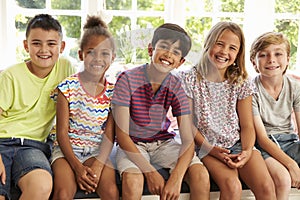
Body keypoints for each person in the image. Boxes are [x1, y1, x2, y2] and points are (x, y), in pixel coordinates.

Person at [111, 23, 210, 200]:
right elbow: (122, 135)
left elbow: (188, 140)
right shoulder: (127, 79)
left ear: (181, 62)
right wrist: (150, 172)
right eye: (163, 47)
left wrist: (176, 178)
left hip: (163, 143)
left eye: (176, 52)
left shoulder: (176, 85)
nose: (168, 54)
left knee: (200, 175)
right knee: (133, 181)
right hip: (132, 144)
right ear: (151, 49)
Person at [180, 21, 276, 200]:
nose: (224, 52)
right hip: (206, 146)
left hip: (237, 144)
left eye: (232, 48)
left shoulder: (240, 81)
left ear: (238, 53)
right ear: (209, 43)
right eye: (219, 44)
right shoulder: (189, 79)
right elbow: (187, 125)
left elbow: (247, 125)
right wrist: (211, 149)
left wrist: (247, 151)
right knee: (232, 187)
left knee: (267, 187)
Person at [0, 14, 75, 200]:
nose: (44, 50)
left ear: (62, 47)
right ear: (26, 46)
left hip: (33, 146)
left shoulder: (66, 68)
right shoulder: (10, 76)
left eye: (51, 44)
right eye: (36, 43)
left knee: (42, 185)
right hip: (1, 142)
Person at [51, 15, 119, 200]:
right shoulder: (67, 87)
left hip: (97, 151)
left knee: (111, 192)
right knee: (63, 193)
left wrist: (98, 164)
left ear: (112, 57)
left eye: (104, 53)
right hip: (67, 152)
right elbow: (62, 133)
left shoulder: (114, 92)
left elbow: (109, 134)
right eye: (91, 52)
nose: (98, 58)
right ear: (81, 54)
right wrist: (77, 167)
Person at [250, 32, 300, 200]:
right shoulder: (250, 90)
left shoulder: (295, 87)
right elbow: (262, 138)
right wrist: (291, 164)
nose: (271, 59)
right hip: (264, 146)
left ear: (288, 59)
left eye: (278, 53)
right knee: (283, 179)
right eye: (263, 55)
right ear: (254, 63)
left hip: (291, 141)